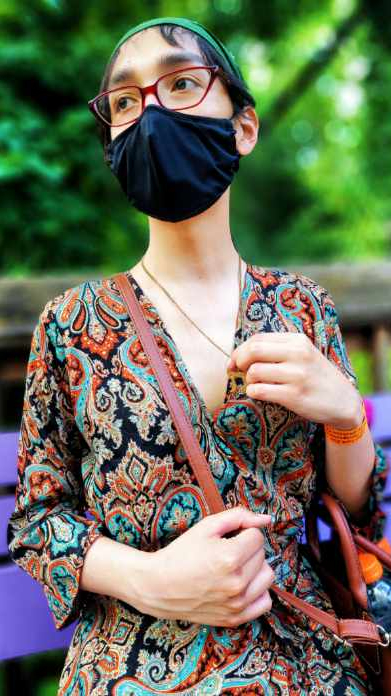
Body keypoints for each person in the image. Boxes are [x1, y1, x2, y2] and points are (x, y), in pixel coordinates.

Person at [7, 16, 388, 696]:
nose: (151, 110)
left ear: (242, 127)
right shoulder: (69, 324)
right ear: (112, 147)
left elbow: (357, 508)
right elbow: (39, 520)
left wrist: (343, 415)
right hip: (128, 663)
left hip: (300, 659)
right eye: (126, 101)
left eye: (181, 84)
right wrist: (150, 580)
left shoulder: (303, 308)